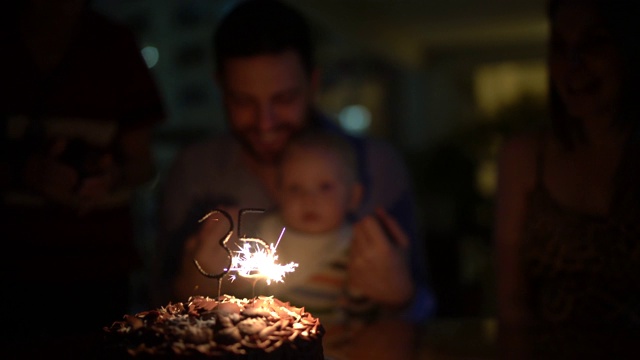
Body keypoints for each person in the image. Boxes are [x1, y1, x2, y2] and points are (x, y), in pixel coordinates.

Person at [152, 0, 434, 327]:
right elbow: (157, 305)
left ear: (313, 84)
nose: (265, 123)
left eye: (284, 99)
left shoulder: (375, 166)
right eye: (244, 101)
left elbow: (426, 307)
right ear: (221, 90)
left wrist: (400, 296)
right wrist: (190, 287)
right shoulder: (195, 172)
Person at [0, 0, 165, 357]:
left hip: (98, 272)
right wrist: (24, 172)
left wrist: (110, 176)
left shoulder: (113, 45)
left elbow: (143, 163)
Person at [494, 0, 640, 358]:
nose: (572, 65)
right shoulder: (525, 157)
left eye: (594, 44)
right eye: (560, 47)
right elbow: (511, 304)